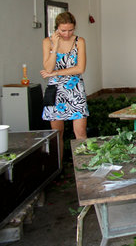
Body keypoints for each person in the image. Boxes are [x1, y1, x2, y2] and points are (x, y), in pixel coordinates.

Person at [40, 11, 88, 163]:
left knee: (80, 132)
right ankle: (58, 168)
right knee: (57, 133)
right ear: (56, 28)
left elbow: (80, 68)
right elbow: (47, 68)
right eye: (63, 30)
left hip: (75, 90)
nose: (67, 34)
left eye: (70, 30)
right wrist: (56, 46)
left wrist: (56, 72)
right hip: (55, 92)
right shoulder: (47, 42)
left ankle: (83, 166)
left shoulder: (79, 41)